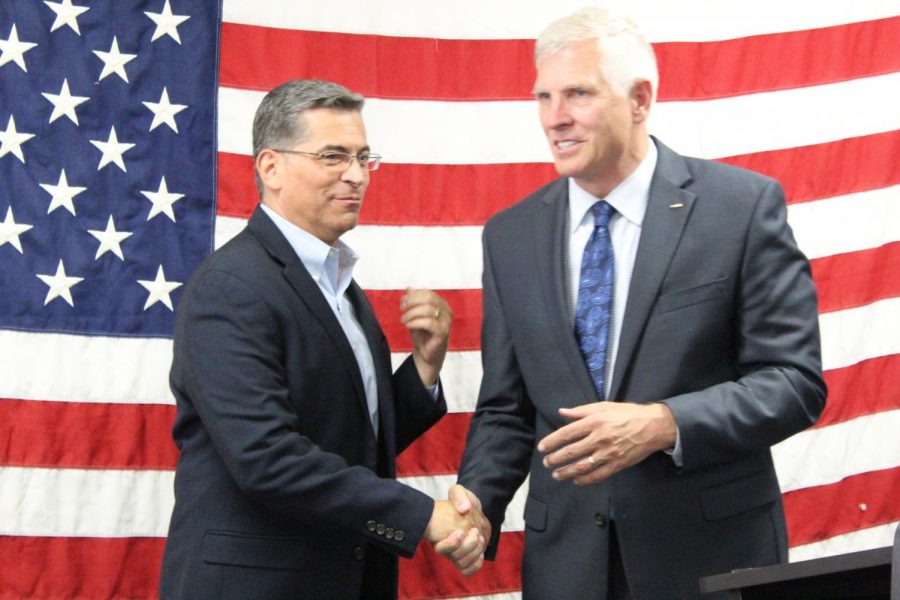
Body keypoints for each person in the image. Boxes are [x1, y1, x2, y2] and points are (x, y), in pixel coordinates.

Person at [447, 7, 827, 600]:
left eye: (577, 93)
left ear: (641, 99)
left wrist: (664, 424)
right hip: (566, 567)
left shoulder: (741, 208)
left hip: (710, 559)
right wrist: (479, 500)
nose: (555, 118)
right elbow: (507, 408)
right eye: (543, 96)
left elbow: (793, 383)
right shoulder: (510, 235)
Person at [159, 79, 488, 600]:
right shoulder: (231, 286)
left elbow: (349, 439)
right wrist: (423, 515)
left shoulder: (340, 286)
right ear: (270, 168)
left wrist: (424, 367)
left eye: (362, 157)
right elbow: (267, 457)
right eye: (333, 156)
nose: (356, 175)